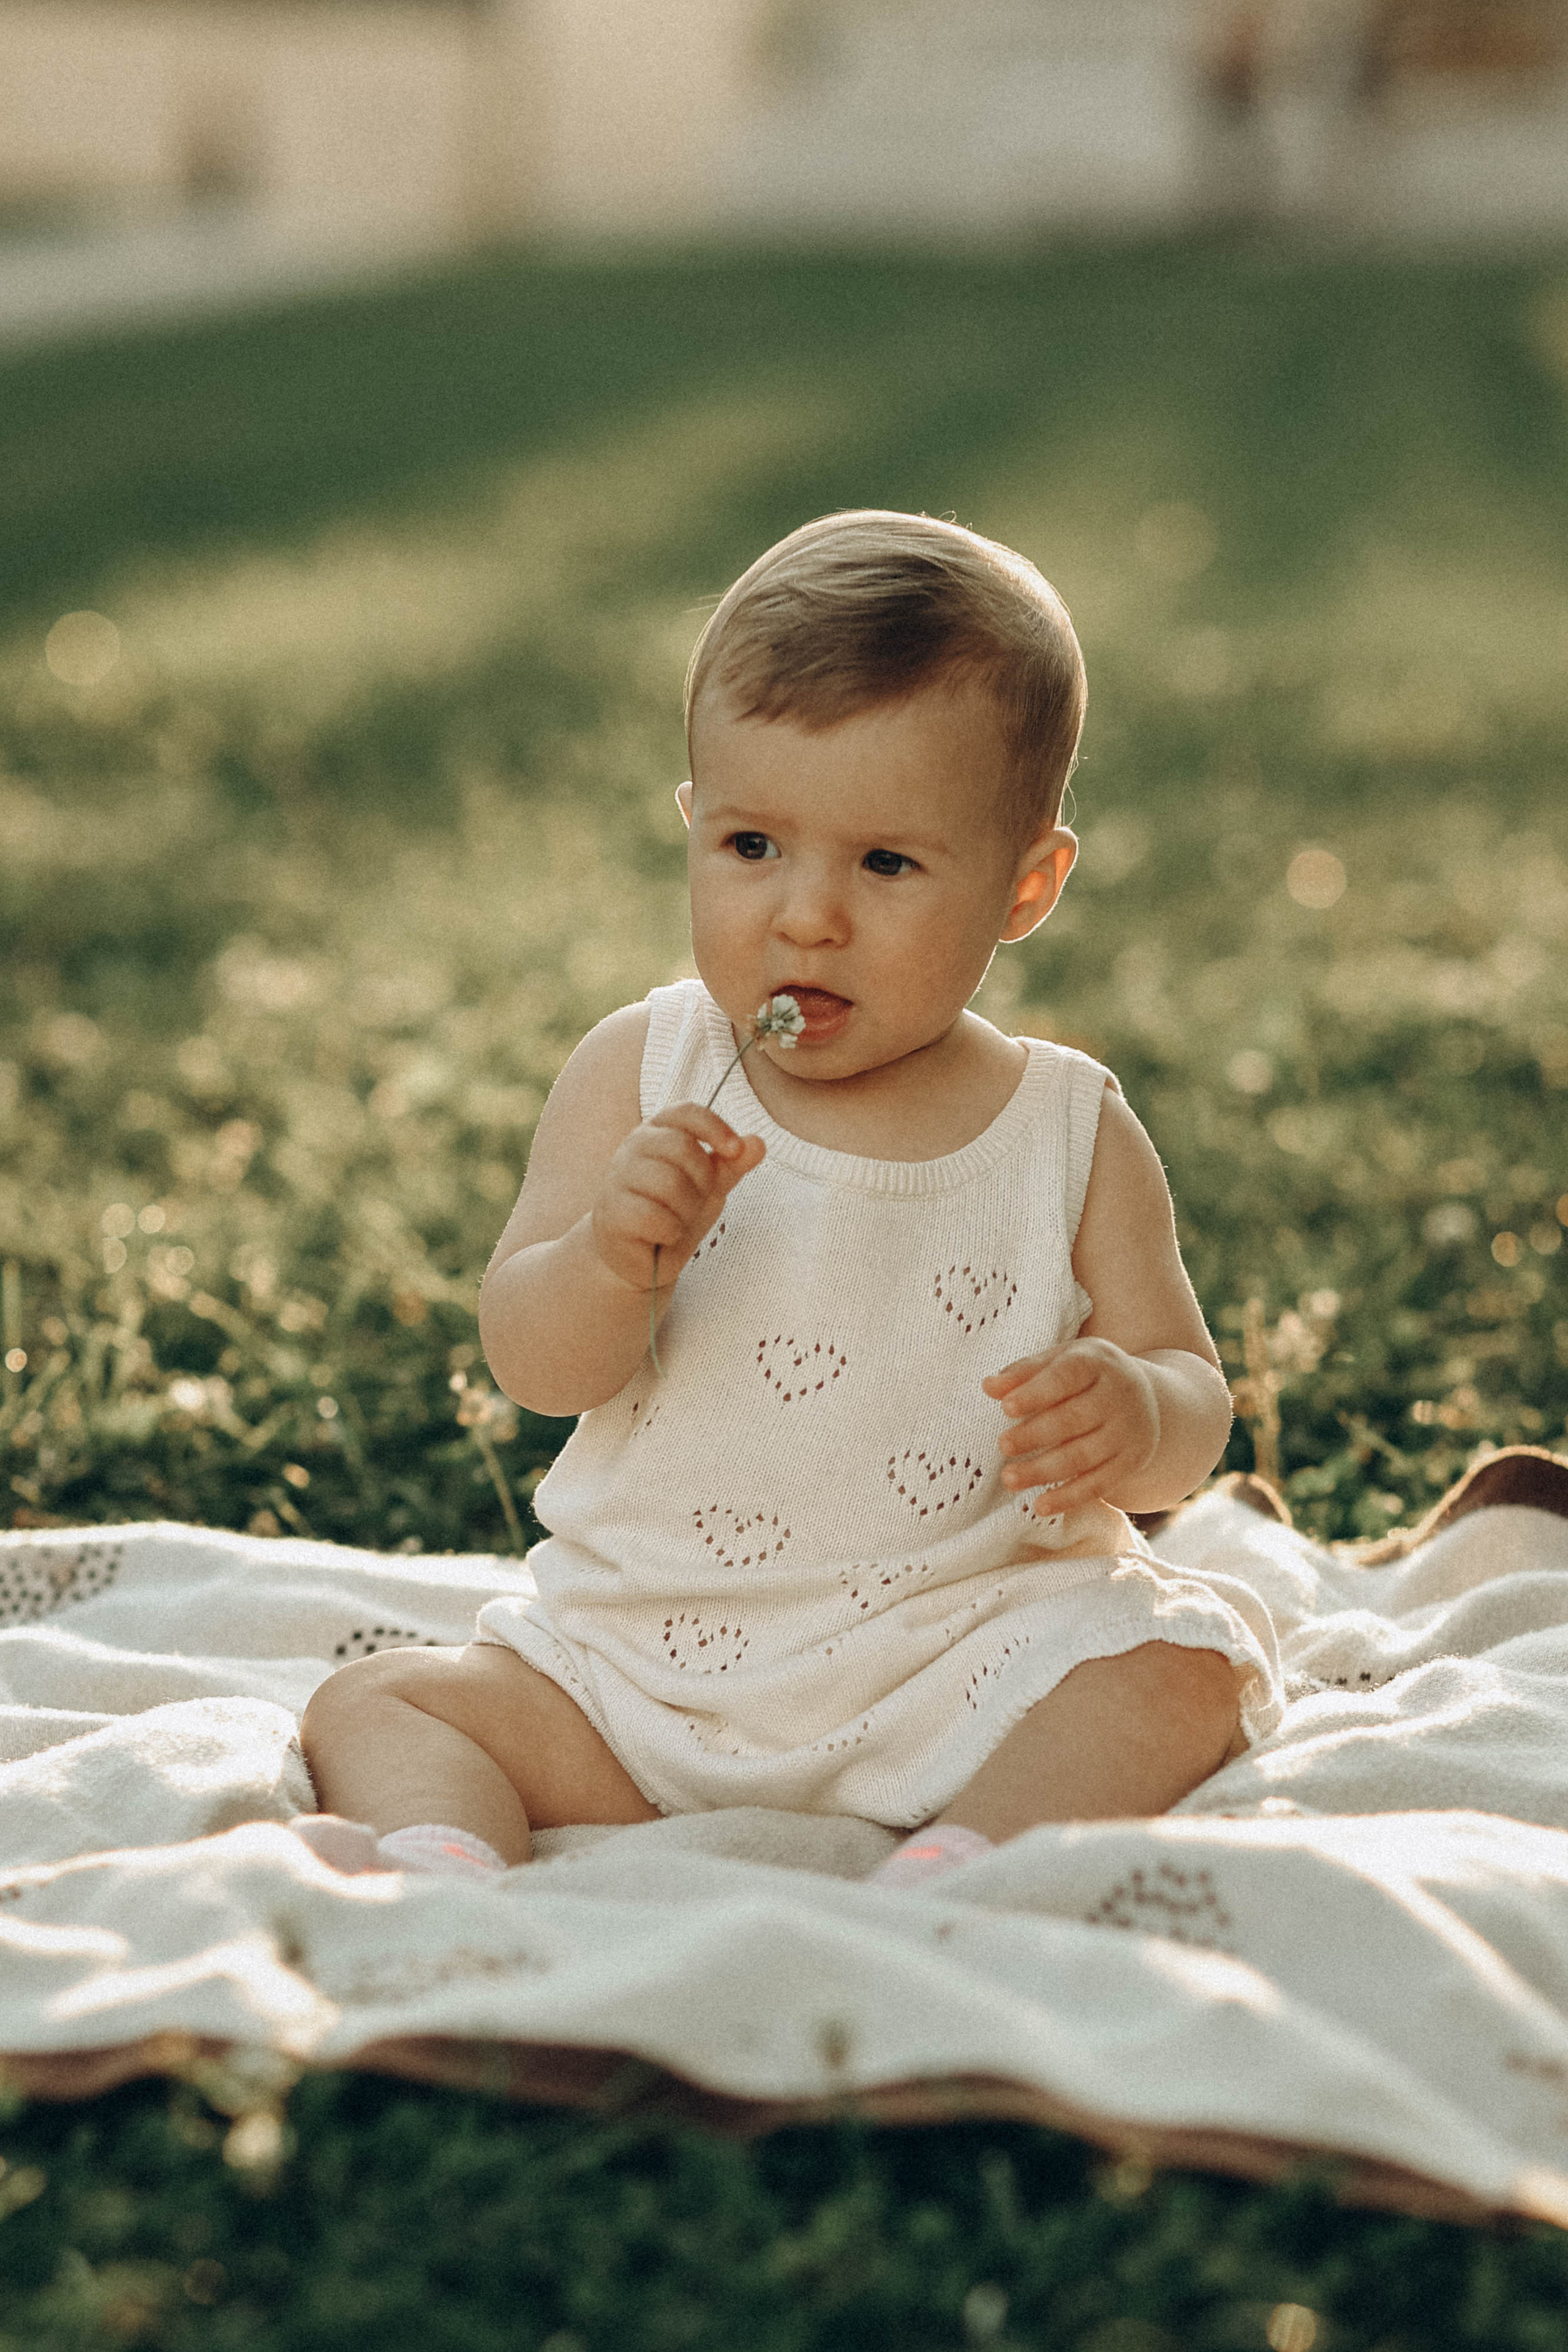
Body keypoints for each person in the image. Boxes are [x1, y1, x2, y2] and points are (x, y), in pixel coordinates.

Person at [296, 510, 1281, 1888]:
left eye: (885, 864)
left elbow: (1191, 1401)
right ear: (692, 824)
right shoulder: (642, 1073)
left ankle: (961, 1859)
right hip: (638, 1677)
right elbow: (533, 1362)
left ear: (1023, 886)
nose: (805, 916)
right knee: (379, 1702)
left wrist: (1134, 1410)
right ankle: (443, 1864)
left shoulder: (1065, 1129)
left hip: (957, 1656)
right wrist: (609, 1260)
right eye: (753, 846)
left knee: (1180, 1670)